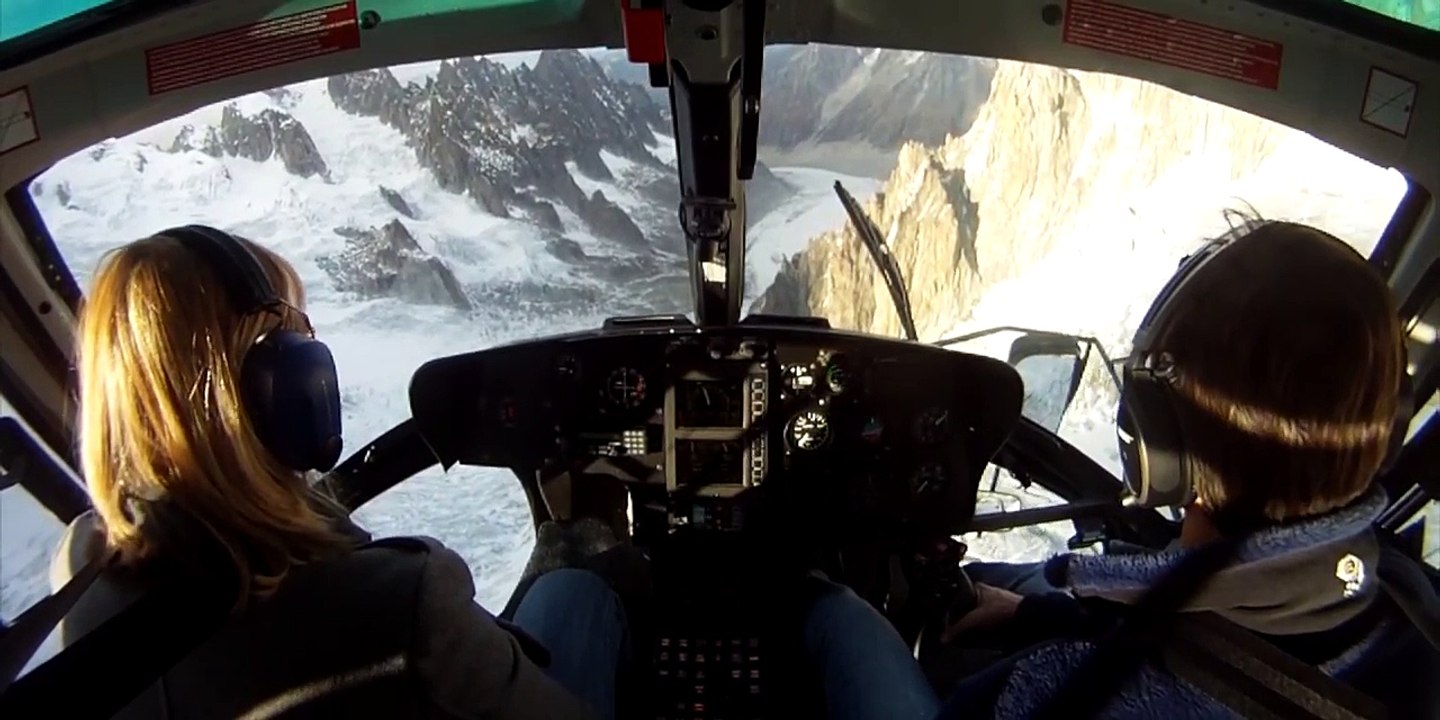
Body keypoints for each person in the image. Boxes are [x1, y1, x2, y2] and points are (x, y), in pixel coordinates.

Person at [49, 225, 626, 718]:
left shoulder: (81, 572)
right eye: (301, 336)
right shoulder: (400, 603)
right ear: (283, 383)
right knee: (575, 585)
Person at [935, 218, 1440, 718]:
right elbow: (1208, 639)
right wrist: (1036, 616)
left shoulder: (1041, 697)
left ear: (1157, 449)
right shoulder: (1415, 606)